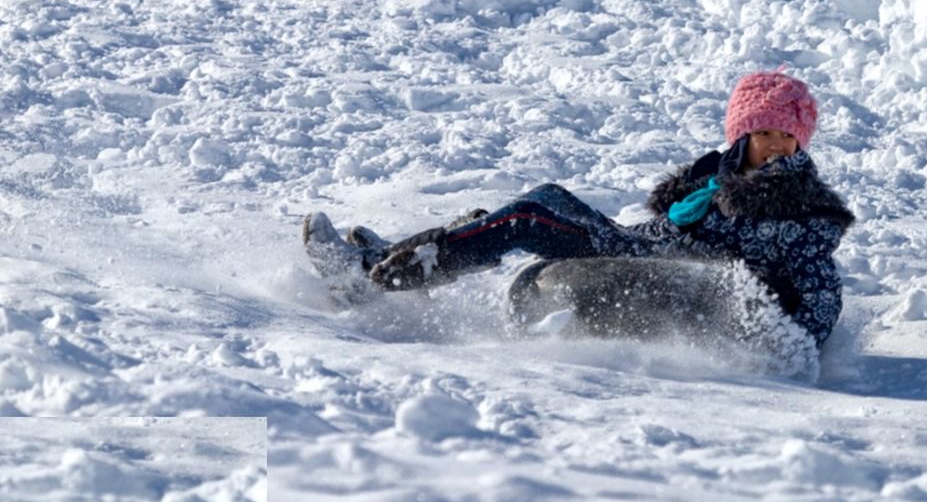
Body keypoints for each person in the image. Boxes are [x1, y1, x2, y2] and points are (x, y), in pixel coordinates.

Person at [303, 69, 855, 345]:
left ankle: (372, 280)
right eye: (765, 133)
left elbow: (818, 288)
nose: (777, 146)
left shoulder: (802, 207)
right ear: (742, 134)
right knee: (532, 207)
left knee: (535, 216)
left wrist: (787, 347)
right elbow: (666, 229)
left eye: (788, 136)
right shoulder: (711, 179)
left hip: (695, 286)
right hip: (647, 250)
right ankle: (390, 261)